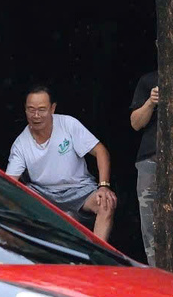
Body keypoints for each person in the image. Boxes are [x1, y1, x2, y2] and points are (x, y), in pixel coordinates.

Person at [6, 84, 116, 242]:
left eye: (42, 109)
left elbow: (100, 151)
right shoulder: (20, 144)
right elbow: (10, 182)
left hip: (79, 189)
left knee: (106, 202)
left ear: (52, 108)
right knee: (17, 200)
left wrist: (104, 186)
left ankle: (98, 255)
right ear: (25, 110)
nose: (36, 115)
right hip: (44, 194)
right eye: (31, 109)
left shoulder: (68, 124)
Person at [128, 70, 159, 267]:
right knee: (150, 224)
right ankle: (157, 275)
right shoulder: (148, 80)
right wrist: (150, 102)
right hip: (151, 158)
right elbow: (135, 123)